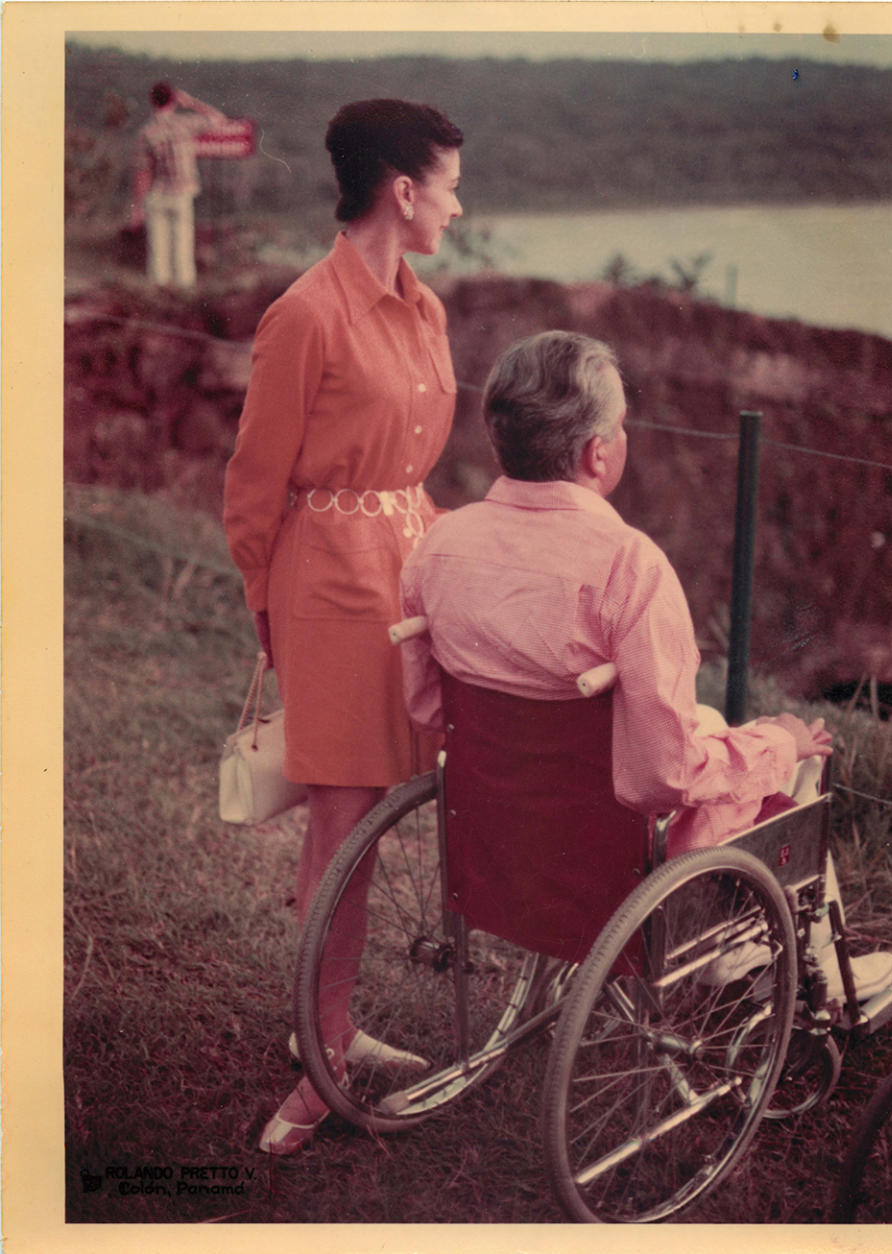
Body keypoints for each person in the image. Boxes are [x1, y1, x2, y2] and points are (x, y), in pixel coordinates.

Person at [400, 331, 892, 997]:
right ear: (596, 452)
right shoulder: (628, 566)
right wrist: (778, 741)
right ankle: (809, 978)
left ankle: (747, 953)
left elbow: (431, 709)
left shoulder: (440, 545)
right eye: (622, 426)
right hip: (610, 865)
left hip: (502, 850)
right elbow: (661, 778)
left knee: (711, 719)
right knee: (794, 759)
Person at [223, 98, 463, 1155]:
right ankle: (318, 1059)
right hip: (327, 594)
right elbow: (251, 491)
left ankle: (333, 1027)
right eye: (450, 185)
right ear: (403, 192)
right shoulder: (306, 314)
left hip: (408, 584)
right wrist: (273, 623)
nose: (460, 205)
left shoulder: (427, 310)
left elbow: (416, 469)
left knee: (374, 822)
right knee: (342, 822)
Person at [128, 82, 227, 287]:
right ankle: (183, 295)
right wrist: (191, 102)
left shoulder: (146, 132)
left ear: (152, 101)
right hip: (182, 193)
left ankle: (159, 297)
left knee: (158, 254)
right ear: (173, 101)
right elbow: (219, 119)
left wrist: (137, 207)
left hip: (157, 195)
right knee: (182, 249)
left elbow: (143, 174)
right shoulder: (185, 124)